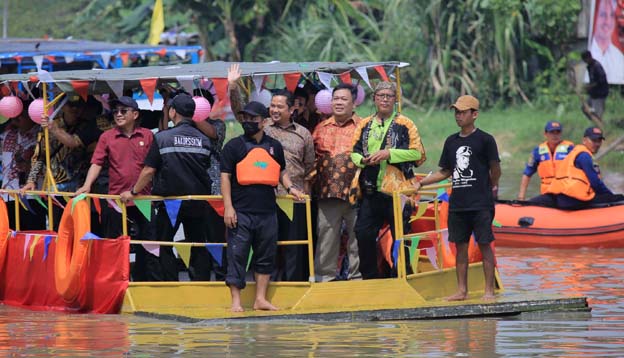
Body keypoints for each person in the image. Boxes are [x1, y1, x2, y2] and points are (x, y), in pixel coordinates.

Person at [120, 93, 214, 282]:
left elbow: (148, 171)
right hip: (197, 202)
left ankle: (170, 284)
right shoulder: (204, 140)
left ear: (173, 112)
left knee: (164, 245)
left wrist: (133, 192)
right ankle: (201, 285)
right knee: (198, 244)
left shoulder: (163, 138)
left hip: (170, 202)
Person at [414, 95, 500, 301]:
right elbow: (445, 171)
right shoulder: (451, 141)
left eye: (462, 112)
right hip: (458, 204)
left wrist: (490, 186)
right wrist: (421, 183)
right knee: (459, 246)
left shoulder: (485, 140)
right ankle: (462, 290)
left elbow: (495, 168)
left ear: (474, 114)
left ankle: (489, 291)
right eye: (456, 112)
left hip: (481, 203)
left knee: (485, 244)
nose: (458, 116)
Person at [220, 101, 303, 312]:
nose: (248, 122)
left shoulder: (274, 146)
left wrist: (291, 188)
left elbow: (281, 171)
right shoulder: (233, 146)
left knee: (266, 255)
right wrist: (228, 207)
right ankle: (236, 301)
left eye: (253, 119)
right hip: (241, 212)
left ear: (263, 122)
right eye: (245, 119)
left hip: (267, 212)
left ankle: (260, 299)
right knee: (237, 255)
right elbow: (225, 178)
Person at [350, 81, 426, 280]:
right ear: (374, 98)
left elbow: (417, 153)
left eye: (389, 96)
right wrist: (363, 160)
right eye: (381, 95)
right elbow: (354, 153)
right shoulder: (364, 124)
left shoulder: (405, 124)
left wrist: (389, 154)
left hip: (399, 193)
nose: (384, 99)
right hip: (370, 190)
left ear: (395, 100)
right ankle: (370, 278)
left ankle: (402, 276)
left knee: (401, 237)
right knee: (363, 234)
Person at [76, 96, 154, 280]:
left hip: (144, 199)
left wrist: (136, 191)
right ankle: (115, 281)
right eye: (115, 111)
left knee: (148, 245)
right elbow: (96, 163)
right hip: (116, 201)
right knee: (114, 244)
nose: (118, 114)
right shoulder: (107, 137)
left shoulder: (148, 135)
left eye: (123, 111)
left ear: (135, 114)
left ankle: (143, 281)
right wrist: (87, 185)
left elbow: (153, 166)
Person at [22, 96, 101, 229]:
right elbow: (39, 155)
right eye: (71, 105)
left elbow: (76, 145)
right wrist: (31, 180)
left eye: (79, 105)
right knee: (58, 226)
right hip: (55, 185)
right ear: (62, 106)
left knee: (81, 226)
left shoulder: (86, 126)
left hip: (80, 186)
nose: (75, 109)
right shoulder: (50, 125)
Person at [263, 89, 315, 282]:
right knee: (268, 243)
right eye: (272, 106)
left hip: (295, 197)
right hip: (266, 196)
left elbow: (310, 166)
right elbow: (239, 112)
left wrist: (305, 191)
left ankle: (293, 284)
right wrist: (234, 87)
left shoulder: (303, 134)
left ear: (291, 109)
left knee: (294, 245)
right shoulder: (263, 128)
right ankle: (268, 284)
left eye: (279, 106)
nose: (274, 110)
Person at [311, 83, 361, 282]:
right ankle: (325, 279)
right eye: (336, 99)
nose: (339, 102)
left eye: (344, 99)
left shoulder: (363, 126)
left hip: (356, 193)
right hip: (327, 193)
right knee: (326, 237)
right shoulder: (320, 128)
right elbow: (311, 158)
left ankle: (357, 277)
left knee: (357, 238)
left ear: (353, 103)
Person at [542, 126, 623, 209]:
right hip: (574, 200)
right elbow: (596, 183)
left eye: (599, 141)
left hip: (564, 197)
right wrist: (611, 197)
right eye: (594, 140)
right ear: (584, 140)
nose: (597, 144)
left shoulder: (577, 152)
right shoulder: (584, 156)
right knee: (619, 198)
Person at [0, 98, 45, 230]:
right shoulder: (8, 135)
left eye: (22, 115)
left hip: (32, 195)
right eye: (15, 115)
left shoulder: (41, 135)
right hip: (8, 194)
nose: (17, 118)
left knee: (32, 234)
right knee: (10, 234)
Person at [517, 121, 574, 200]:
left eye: (557, 132)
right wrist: (521, 196)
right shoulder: (538, 151)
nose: (555, 135)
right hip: (547, 193)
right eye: (552, 132)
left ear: (561, 133)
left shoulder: (570, 148)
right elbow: (527, 173)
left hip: (565, 192)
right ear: (545, 134)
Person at [589, 0, 624, 84]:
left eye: (612, 15)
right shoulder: (590, 54)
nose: (607, 22)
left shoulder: (618, 57)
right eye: (602, 15)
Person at [581, 51, 610, 126]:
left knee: (598, 114)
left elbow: (601, 80)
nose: (585, 62)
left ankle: (600, 127)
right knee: (585, 108)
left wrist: (591, 86)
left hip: (600, 94)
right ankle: (596, 122)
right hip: (593, 94)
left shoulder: (597, 66)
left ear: (589, 57)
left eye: (585, 59)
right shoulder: (590, 67)